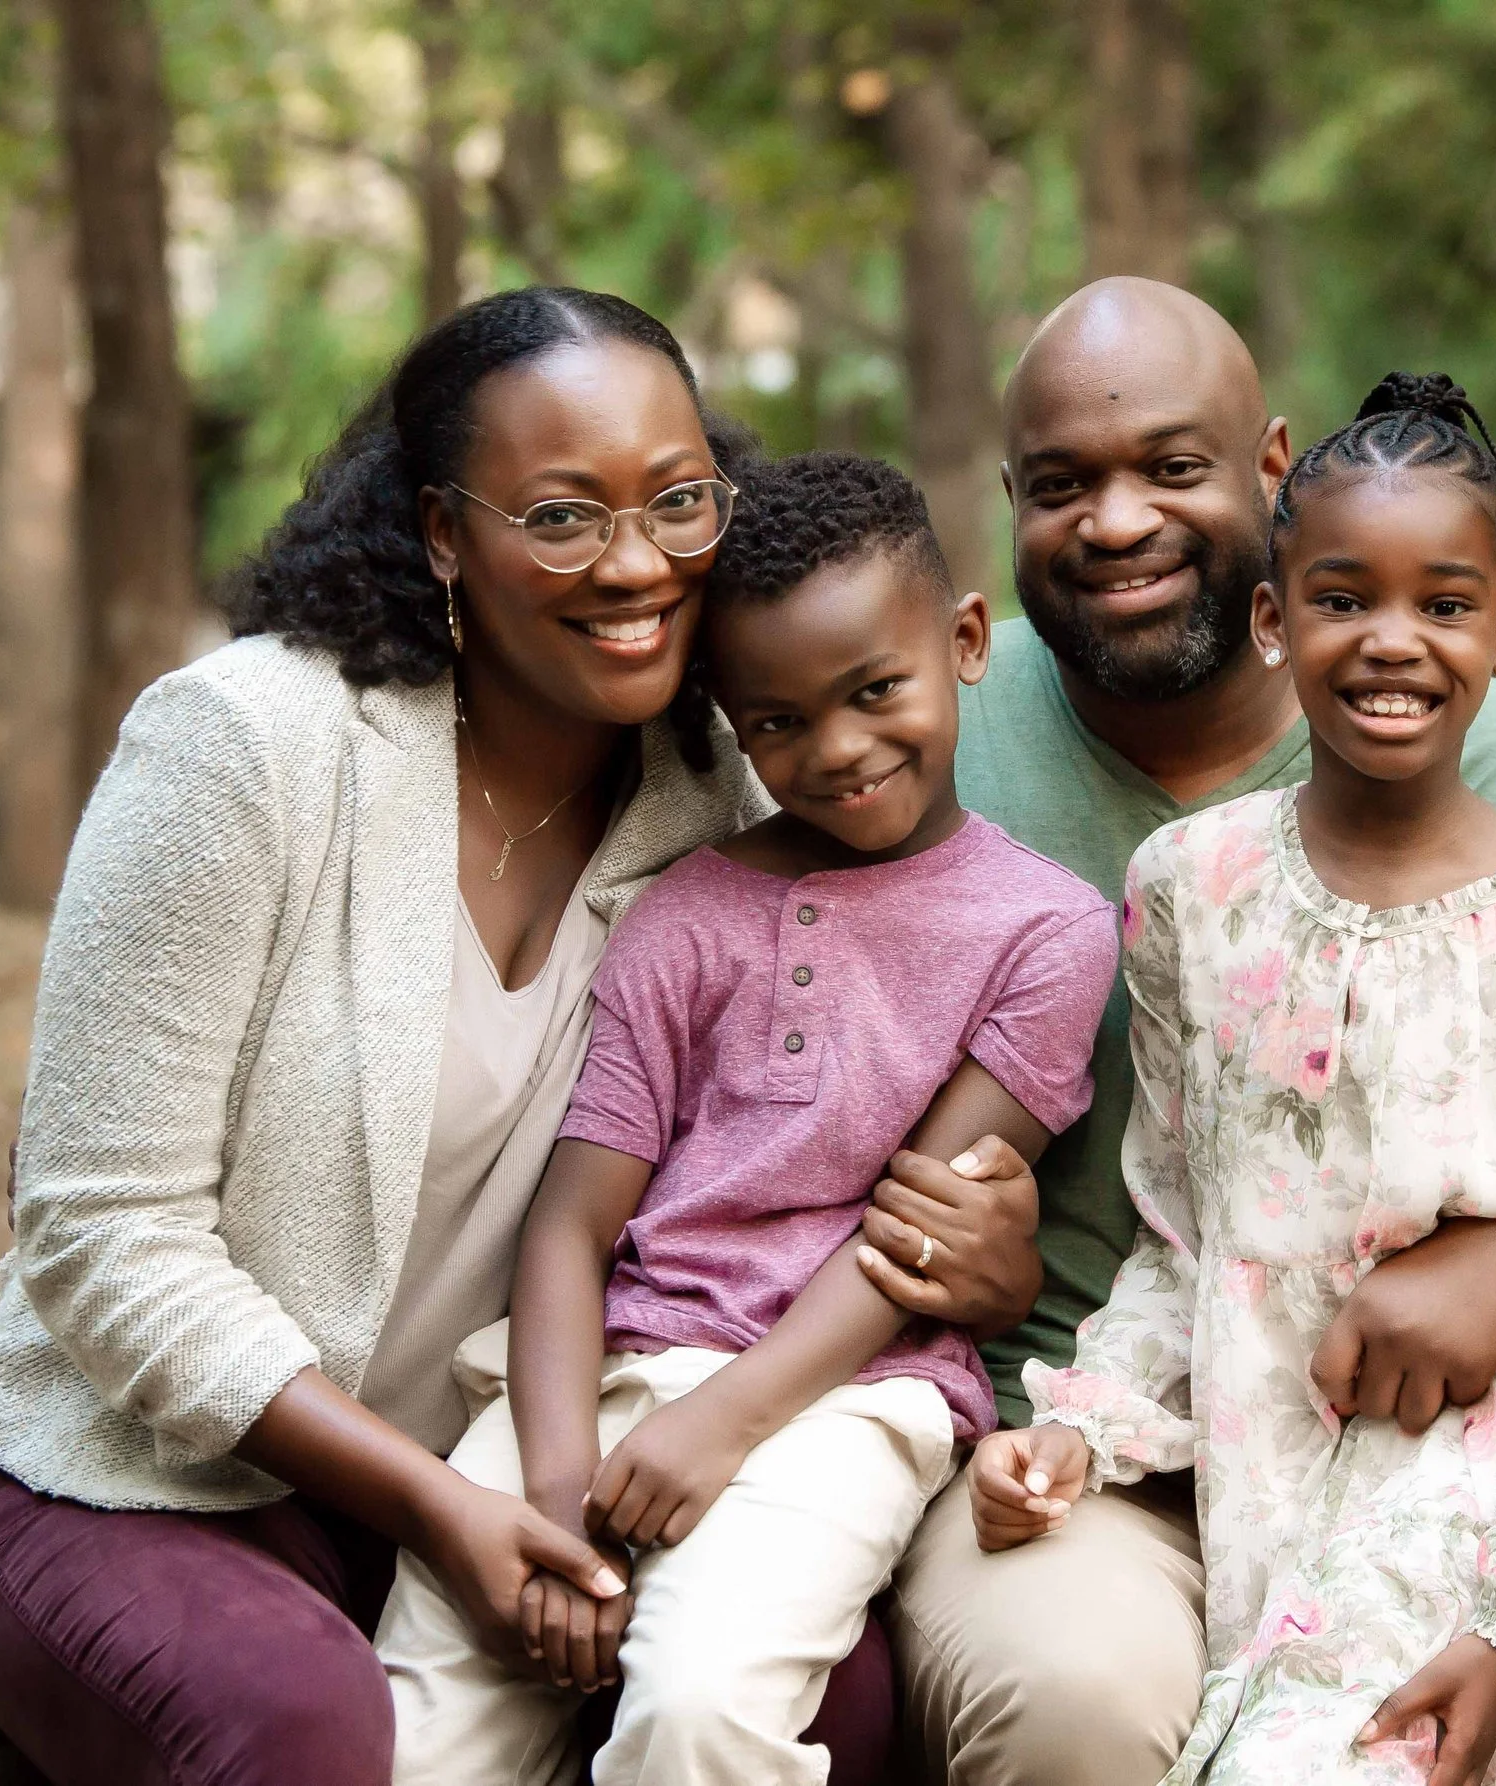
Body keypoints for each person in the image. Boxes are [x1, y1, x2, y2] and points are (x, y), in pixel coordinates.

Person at [0, 291, 1042, 1786]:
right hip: (148, 1478)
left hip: (527, 1459)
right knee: (308, 1739)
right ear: (446, 532)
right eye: (562, 516)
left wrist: (991, 1252)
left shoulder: (740, 804)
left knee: (839, 1710)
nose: (636, 561)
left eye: (676, 501)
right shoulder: (247, 749)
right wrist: (445, 1510)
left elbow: (819, 1167)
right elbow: (99, 1234)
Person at [884, 278, 1496, 1786]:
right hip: (1119, 1469)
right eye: (1060, 485)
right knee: (1082, 1699)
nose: (1113, 523)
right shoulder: (922, 725)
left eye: (1172, 467)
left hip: (1478, 1476)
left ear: (1270, 469)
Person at [977, 372, 1496, 1786]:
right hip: (1273, 1519)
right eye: (1342, 598)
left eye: (1444, 605)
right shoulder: (1192, 886)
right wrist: (1077, 1432)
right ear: (1273, 619)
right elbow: (1188, 1238)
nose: (1393, 643)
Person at [373, 451, 1116, 1786]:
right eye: (776, 721)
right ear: (725, 719)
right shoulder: (682, 914)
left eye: (874, 691)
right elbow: (567, 1231)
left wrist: (722, 1422)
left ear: (962, 644)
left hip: (846, 1398)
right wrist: (553, 1498)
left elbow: (915, 1236)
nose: (834, 750)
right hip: (594, 1383)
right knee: (418, 1748)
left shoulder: (1046, 931)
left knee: (700, 1712)